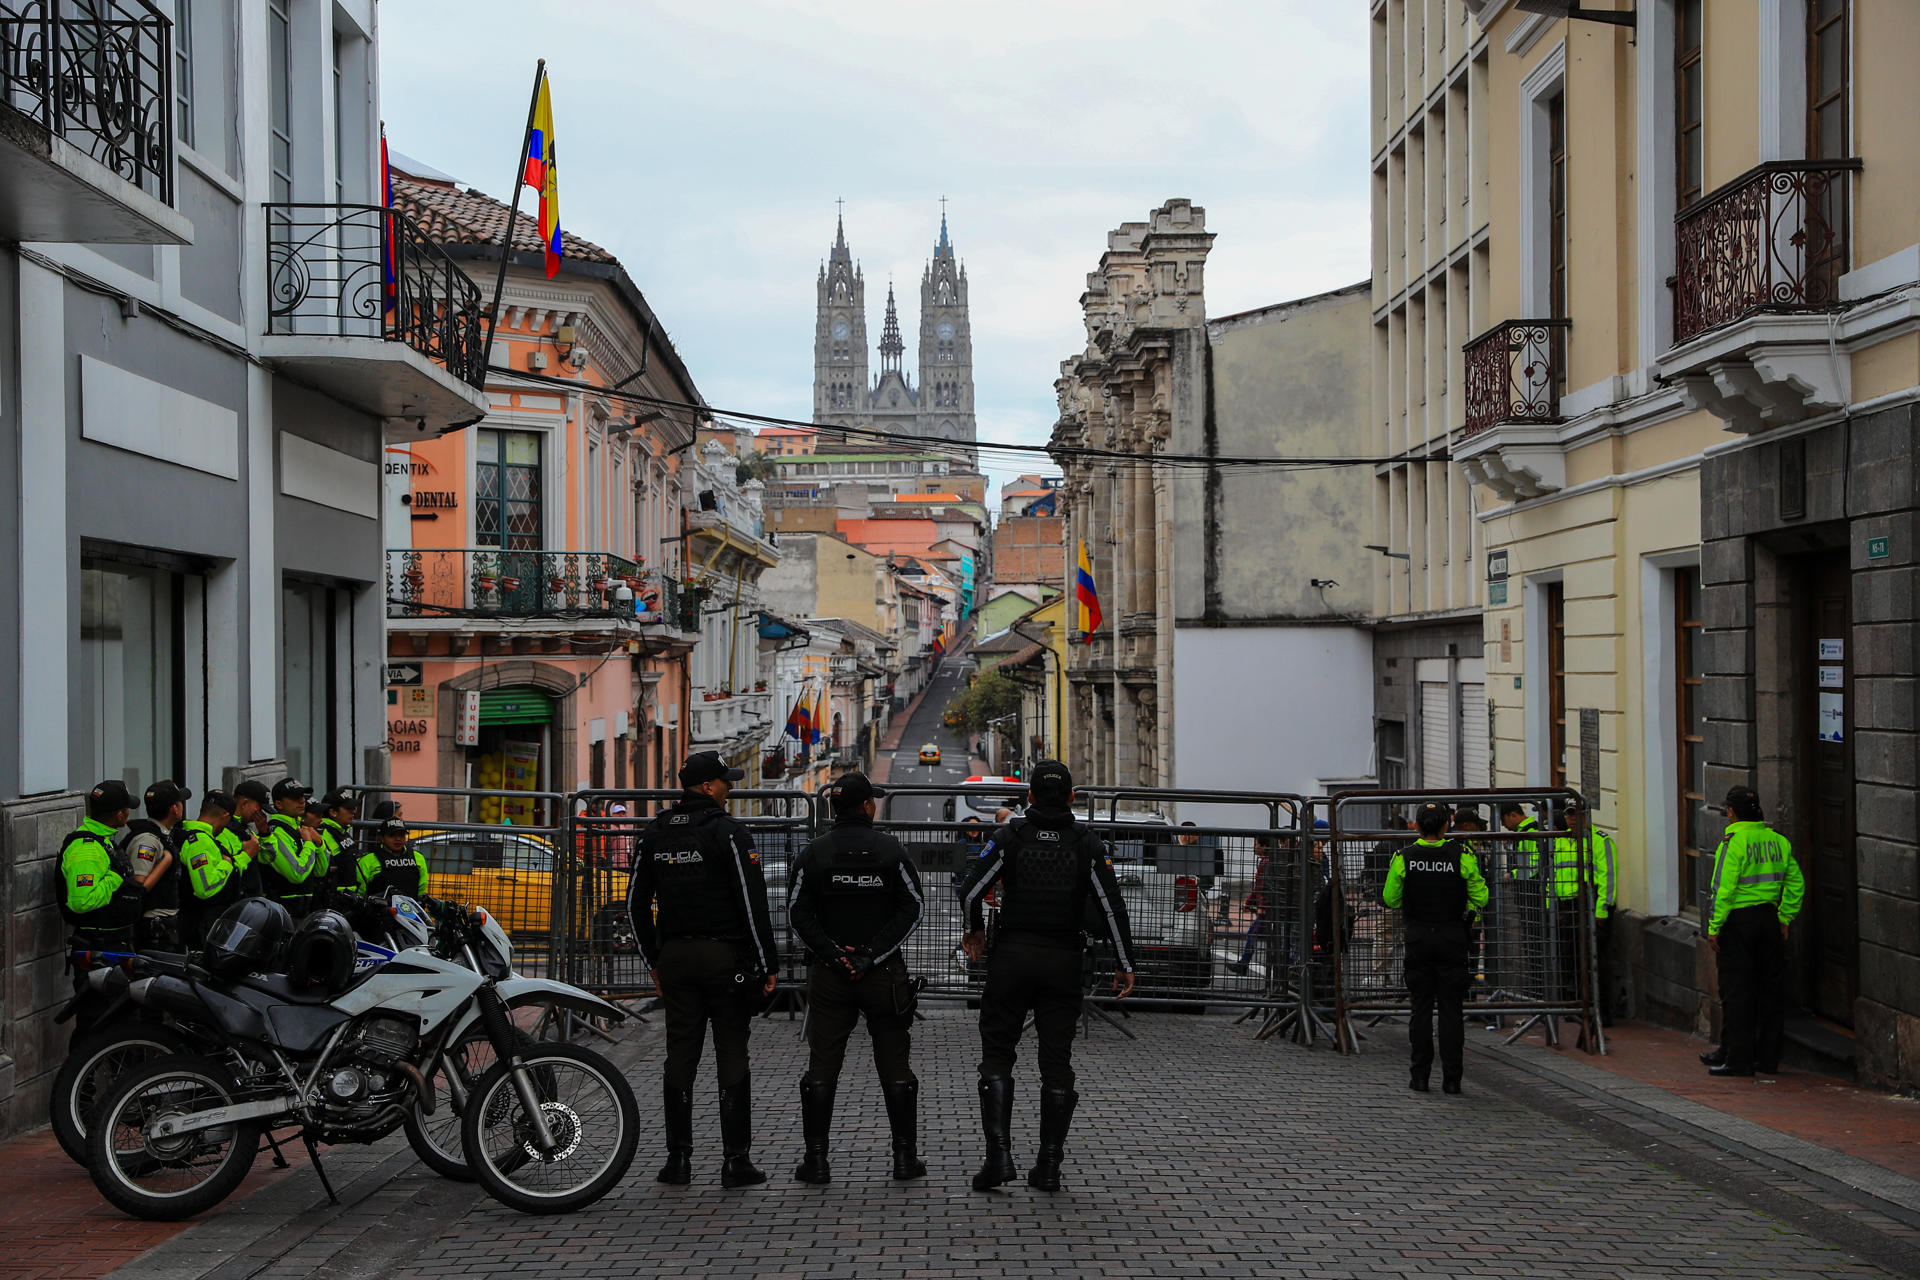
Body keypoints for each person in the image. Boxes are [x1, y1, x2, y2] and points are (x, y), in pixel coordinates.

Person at [955, 759, 1135, 1194]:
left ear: (1029, 796)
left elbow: (971, 889)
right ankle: (1049, 1166)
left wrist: (974, 930)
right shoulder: (1085, 842)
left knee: (998, 1053)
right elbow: (1111, 905)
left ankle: (998, 1157)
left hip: (1012, 957)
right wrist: (1125, 962)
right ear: (1072, 797)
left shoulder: (1010, 836)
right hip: (1062, 961)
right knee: (1057, 1062)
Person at [627, 750, 778, 1188]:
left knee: (680, 1054)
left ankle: (678, 1162)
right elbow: (753, 904)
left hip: (674, 957)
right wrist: (767, 962)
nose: (730, 789)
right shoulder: (728, 832)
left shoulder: (654, 834)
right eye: (725, 783)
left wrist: (653, 958)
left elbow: (637, 903)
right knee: (731, 1050)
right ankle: (736, 1161)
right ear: (709, 787)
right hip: (723, 958)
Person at [786, 771, 928, 1184]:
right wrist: (871, 955)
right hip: (883, 975)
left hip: (830, 977)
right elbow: (914, 908)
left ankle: (816, 1162)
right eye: (873, 801)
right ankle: (904, 1159)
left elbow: (797, 913)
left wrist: (832, 954)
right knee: (895, 1063)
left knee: (822, 1065)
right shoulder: (890, 850)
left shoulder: (814, 853)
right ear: (867, 807)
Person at [1383, 801, 1488, 1094]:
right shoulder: (1461, 855)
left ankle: (1419, 1077)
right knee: (1452, 1012)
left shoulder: (1404, 856)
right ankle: (1452, 1080)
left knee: (1420, 1010)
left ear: (1416, 825)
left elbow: (1390, 898)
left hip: (1418, 938)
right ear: (1446, 826)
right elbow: (1481, 896)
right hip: (1452, 938)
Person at [1702, 786, 1803, 1078]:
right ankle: (1767, 1060)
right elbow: (1796, 883)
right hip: (1769, 922)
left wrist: (1714, 926)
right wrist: (1784, 917)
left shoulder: (1732, 842)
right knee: (1769, 992)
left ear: (1731, 812)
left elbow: (1724, 889)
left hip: (1738, 924)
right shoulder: (1778, 841)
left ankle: (1738, 1060)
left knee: (1736, 991)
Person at [60, 780, 147, 954]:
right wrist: (115, 877)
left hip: (114, 942)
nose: (129, 813)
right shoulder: (87, 849)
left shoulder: (102, 840)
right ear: (119, 814)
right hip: (99, 948)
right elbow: (82, 901)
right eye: (127, 808)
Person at [1557, 801, 1617, 1024]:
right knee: (1570, 959)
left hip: (1591, 908)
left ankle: (1601, 1012)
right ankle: (1577, 1007)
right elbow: (1554, 876)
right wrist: (1552, 904)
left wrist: (1602, 911)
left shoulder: (1600, 841)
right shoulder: (1561, 841)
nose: (1572, 819)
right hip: (1567, 907)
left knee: (1595, 962)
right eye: (1569, 815)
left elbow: (1608, 879)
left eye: (1577, 815)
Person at [179, 790, 251, 945]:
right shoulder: (199, 842)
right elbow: (205, 887)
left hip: (206, 924)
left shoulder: (205, 839)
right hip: (201, 927)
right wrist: (227, 864)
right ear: (225, 815)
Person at [125, 780, 188, 947]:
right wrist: (166, 861)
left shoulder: (163, 834)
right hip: (154, 926)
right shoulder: (148, 840)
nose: (182, 805)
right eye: (179, 802)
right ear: (174, 809)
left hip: (166, 923)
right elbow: (138, 888)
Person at [257, 778, 321, 914]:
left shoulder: (300, 828)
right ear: (279, 804)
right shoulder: (277, 831)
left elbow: (321, 871)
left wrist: (320, 844)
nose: (302, 801)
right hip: (284, 912)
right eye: (294, 798)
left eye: (302, 796)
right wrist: (309, 844)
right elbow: (297, 874)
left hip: (306, 909)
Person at [1228, 838, 1274, 975]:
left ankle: (1244, 964)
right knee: (1255, 935)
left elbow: (1262, 887)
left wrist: (1261, 905)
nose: (1254, 848)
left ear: (1264, 846)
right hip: (1266, 907)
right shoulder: (1267, 861)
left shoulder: (1267, 863)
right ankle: (1244, 964)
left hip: (1266, 909)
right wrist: (1249, 903)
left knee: (1253, 935)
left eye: (1256, 844)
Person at [357, 817, 428, 901]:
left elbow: (421, 889)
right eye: (392, 835)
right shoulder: (368, 860)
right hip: (378, 912)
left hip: (409, 911)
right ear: (382, 838)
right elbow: (359, 893)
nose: (398, 839)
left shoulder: (418, 858)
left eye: (401, 835)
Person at [318, 789, 359, 890]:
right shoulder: (325, 834)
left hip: (348, 895)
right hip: (335, 897)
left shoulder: (341, 830)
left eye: (354, 808)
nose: (353, 812)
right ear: (333, 812)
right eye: (349, 809)